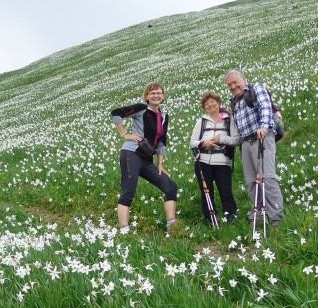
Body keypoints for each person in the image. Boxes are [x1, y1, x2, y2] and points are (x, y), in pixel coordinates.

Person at [110, 83, 179, 233]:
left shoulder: (164, 117)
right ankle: (124, 230)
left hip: (147, 160)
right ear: (146, 96)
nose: (156, 95)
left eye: (159, 93)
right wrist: (124, 134)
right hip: (131, 154)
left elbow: (161, 142)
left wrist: (160, 163)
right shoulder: (141, 109)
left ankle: (172, 227)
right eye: (152, 93)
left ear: (163, 96)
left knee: (171, 186)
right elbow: (116, 113)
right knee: (128, 191)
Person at [225, 69, 284, 226]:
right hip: (246, 143)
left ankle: (276, 217)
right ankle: (258, 213)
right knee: (251, 181)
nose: (232, 86)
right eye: (229, 85)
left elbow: (265, 107)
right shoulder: (234, 102)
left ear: (243, 79)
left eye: (235, 82)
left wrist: (264, 127)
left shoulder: (256, 88)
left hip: (262, 138)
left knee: (267, 177)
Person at [189, 91, 240, 224]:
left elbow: (237, 140)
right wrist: (203, 143)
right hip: (203, 161)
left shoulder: (229, 121)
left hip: (223, 161)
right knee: (206, 192)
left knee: (225, 191)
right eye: (207, 104)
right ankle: (210, 219)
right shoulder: (201, 122)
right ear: (204, 107)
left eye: (213, 102)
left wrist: (220, 139)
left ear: (218, 103)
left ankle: (230, 217)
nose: (210, 105)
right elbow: (192, 142)